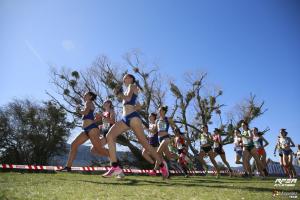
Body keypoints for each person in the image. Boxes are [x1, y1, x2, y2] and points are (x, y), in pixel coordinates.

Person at [102, 74, 169, 179]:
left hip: (133, 118)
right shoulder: (130, 89)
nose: (124, 78)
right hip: (125, 119)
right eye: (123, 77)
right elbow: (137, 105)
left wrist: (120, 94)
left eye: (126, 77)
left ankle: (161, 165)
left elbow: (128, 98)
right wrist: (126, 98)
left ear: (131, 79)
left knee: (146, 145)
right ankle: (115, 167)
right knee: (110, 135)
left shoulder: (132, 86)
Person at [58, 92, 109, 172]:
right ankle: (68, 167)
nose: (83, 96)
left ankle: (115, 160)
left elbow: (85, 112)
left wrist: (79, 110)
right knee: (74, 145)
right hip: (87, 130)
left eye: (85, 95)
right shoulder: (88, 103)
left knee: (98, 149)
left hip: (92, 129)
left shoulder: (88, 102)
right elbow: (89, 116)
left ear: (90, 96)